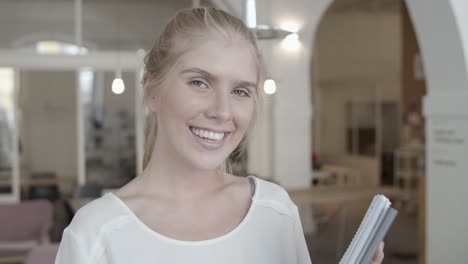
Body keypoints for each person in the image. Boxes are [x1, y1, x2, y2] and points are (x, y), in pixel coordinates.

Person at [55, 7, 384, 264]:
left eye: (241, 91)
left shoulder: (275, 210)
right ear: (151, 89)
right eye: (199, 82)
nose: (223, 111)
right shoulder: (96, 234)